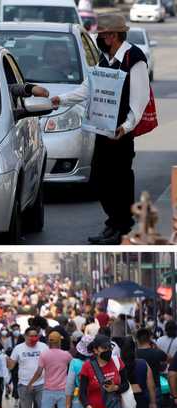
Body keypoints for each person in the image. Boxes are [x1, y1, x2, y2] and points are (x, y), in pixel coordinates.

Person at [51, 14, 150, 245]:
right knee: (101, 181)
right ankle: (112, 222)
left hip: (121, 135)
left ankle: (121, 227)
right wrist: (60, 100)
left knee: (120, 183)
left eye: (102, 35)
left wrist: (125, 127)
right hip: (103, 132)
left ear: (113, 35)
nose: (99, 38)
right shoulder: (106, 59)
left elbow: (139, 100)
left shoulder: (133, 59)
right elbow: (88, 89)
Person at [28, 331, 73, 408]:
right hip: (63, 390)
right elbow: (73, 367)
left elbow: (39, 372)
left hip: (48, 390)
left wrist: (31, 382)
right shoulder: (66, 355)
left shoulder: (44, 355)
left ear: (49, 341)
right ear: (59, 341)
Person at [8, 327, 49, 408]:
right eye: (31, 336)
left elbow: (49, 364)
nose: (33, 338)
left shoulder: (43, 347)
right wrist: (6, 359)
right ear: (25, 336)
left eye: (36, 335)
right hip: (24, 385)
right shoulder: (18, 348)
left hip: (41, 384)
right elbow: (11, 366)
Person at [136, 328, 167, 408]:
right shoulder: (156, 352)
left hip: (139, 389)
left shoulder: (135, 353)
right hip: (155, 387)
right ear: (149, 339)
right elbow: (166, 358)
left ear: (137, 339)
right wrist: (155, 346)